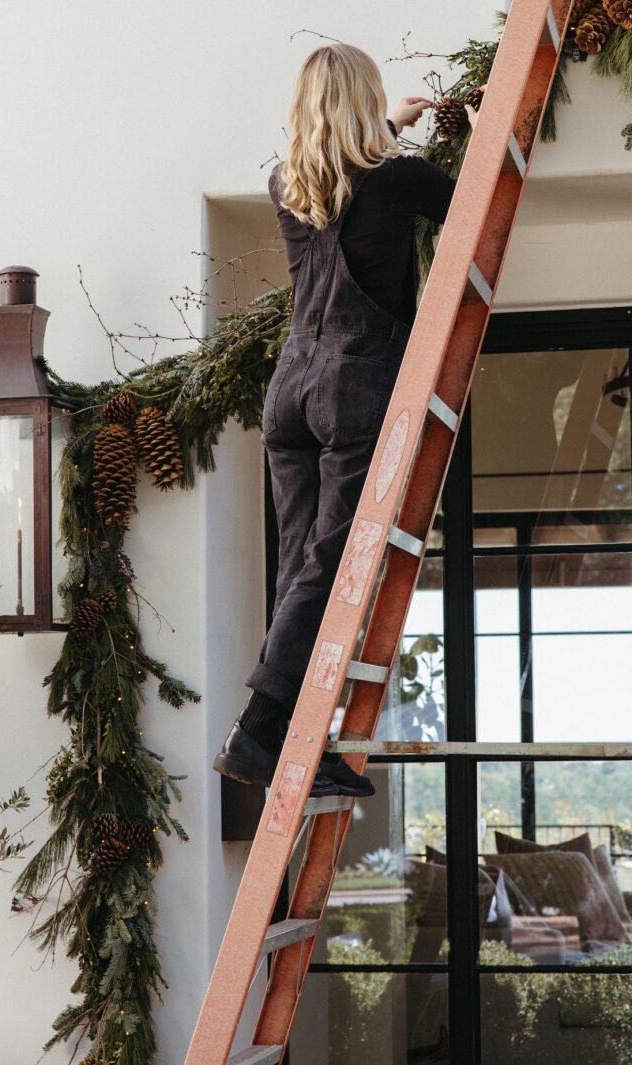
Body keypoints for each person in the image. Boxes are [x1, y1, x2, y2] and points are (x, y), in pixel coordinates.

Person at [213, 43, 480, 797]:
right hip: (354, 387)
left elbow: (351, 181)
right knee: (327, 568)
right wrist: (484, 121)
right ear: (365, 98)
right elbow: (466, 202)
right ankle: (259, 730)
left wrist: (387, 131)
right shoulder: (396, 178)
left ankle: (298, 736)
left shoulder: (285, 183)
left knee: (301, 566)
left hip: (292, 388)